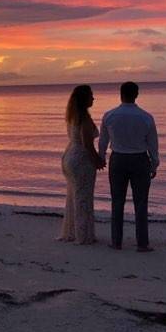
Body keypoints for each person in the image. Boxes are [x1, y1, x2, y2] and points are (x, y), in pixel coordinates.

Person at [98, 81, 159, 252]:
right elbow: (153, 144)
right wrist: (154, 163)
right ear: (136, 95)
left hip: (118, 160)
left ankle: (116, 241)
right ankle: (142, 243)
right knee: (141, 203)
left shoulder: (110, 115)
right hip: (140, 160)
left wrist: (101, 157)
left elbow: (103, 141)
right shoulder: (146, 117)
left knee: (117, 202)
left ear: (121, 94)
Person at [59, 85, 105, 244]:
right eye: (91, 95)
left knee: (74, 196)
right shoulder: (84, 119)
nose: (93, 98)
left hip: (69, 157)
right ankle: (83, 235)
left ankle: (73, 232)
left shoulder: (72, 116)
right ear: (84, 99)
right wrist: (97, 160)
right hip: (80, 160)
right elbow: (87, 144)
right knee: (83, 197)